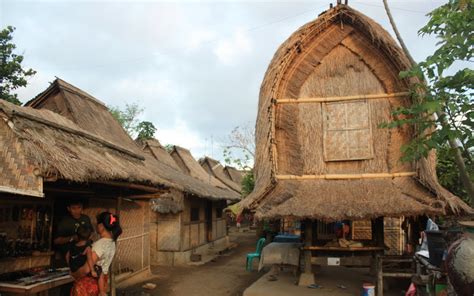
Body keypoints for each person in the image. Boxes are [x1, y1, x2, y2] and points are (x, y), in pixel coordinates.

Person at [71, 212, 122, 296]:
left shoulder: (100, 245)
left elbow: (86, 269)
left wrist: (74, 274)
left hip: (90, 284)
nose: (95, 226)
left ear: (101, 226)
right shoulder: (112, 243)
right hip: (102, 282)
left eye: (97, 223)